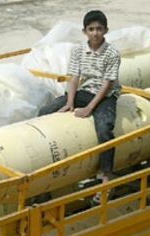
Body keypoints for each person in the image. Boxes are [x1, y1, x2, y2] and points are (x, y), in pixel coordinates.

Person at [38, 10, 121, 202]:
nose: (95, 33)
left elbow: (107, 84)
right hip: (85, 90)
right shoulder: (78, 51)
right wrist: (69, 102)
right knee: (45, 111)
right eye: (91, 29)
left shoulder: (112, 53)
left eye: (99, 29)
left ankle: (107, 175)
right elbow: (74, 78)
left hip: (106, 95)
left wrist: (89, 108)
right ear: (84, 31)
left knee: (104, 128)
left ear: (106, 30)